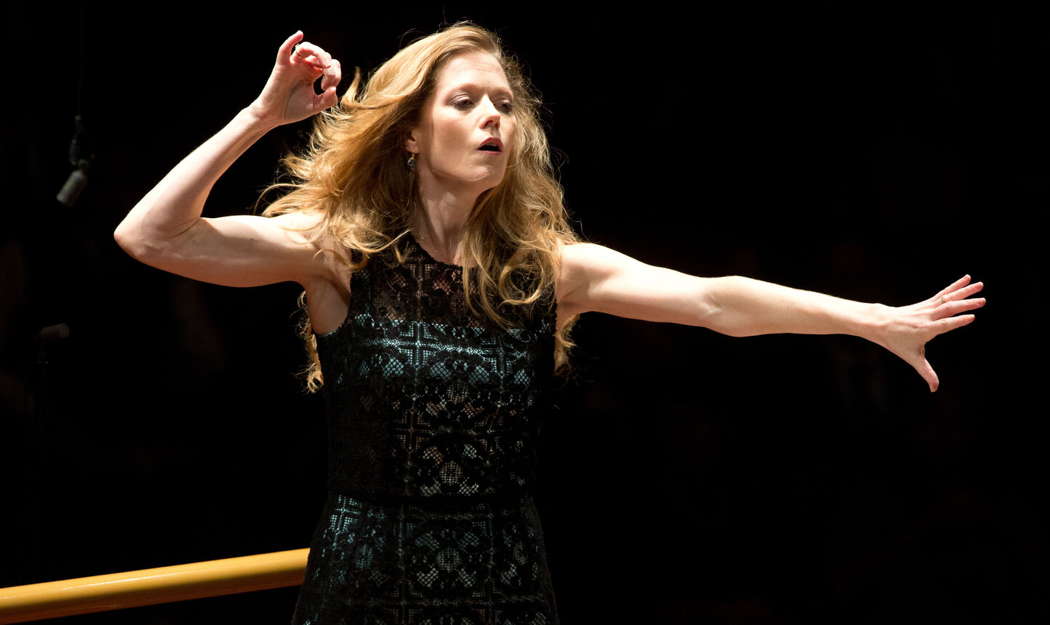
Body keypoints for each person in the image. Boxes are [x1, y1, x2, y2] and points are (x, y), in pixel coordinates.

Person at [113, 22, 985, 625]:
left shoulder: (545, 272)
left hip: (505, 589)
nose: (494, 117)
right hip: (365, 588)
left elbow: (718, 300)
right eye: (465, 103)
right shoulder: (341, 253)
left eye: (504, 103)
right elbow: (149, 236)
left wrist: (874, 318)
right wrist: (265, 114)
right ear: (411, 132)